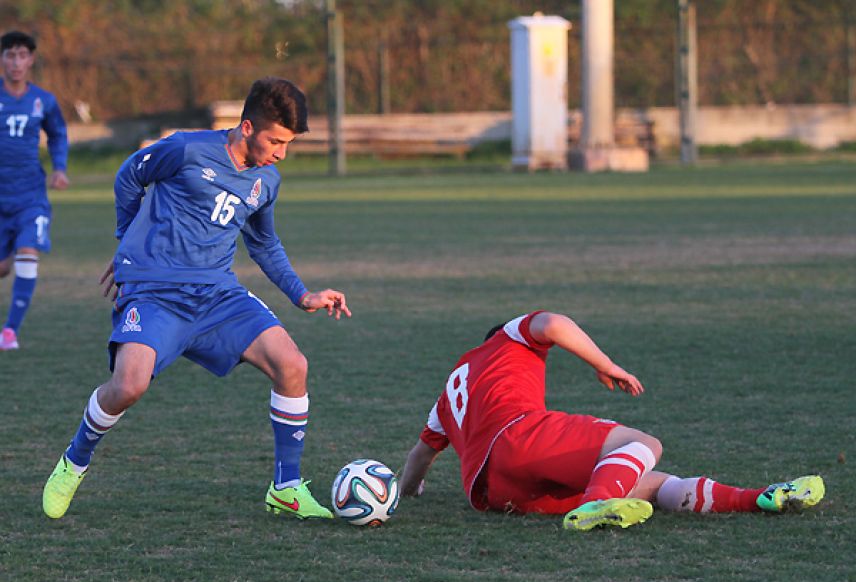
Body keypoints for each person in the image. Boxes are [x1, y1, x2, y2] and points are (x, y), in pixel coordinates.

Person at [42, 77, 350, 521]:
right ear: (247, 128)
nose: (281, 152)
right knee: (129, 385)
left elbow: (263, 243)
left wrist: (302, 295)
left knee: (293, 365)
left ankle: (285, 487)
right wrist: (128, 241)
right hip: (156, 292)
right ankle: (74, 461)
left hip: (217, 294)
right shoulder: (185, 149)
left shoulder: (267, 181)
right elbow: (129, 176)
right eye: (275, 141)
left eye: (287, 143)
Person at [399, 310, 825, 531]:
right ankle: (595, 505)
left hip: (495, 494)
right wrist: (606, 364)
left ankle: (761, 498)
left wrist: (407, 489)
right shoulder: (506, 340)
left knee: (654, 483)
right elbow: (552, 322)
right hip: (521, 436)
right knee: (642, 443)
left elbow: (421, 454)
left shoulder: (448, 393)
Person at [0, 31, 69, 351]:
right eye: (10, 55)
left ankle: (10, 332)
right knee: (3, 268)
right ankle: (12, 249)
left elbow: (57, 134)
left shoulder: (43, 100)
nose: (16, 62)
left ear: (31, 60)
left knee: (30, 253)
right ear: (2, 59)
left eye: (21, 55)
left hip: (30, 195)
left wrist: (59, 168)